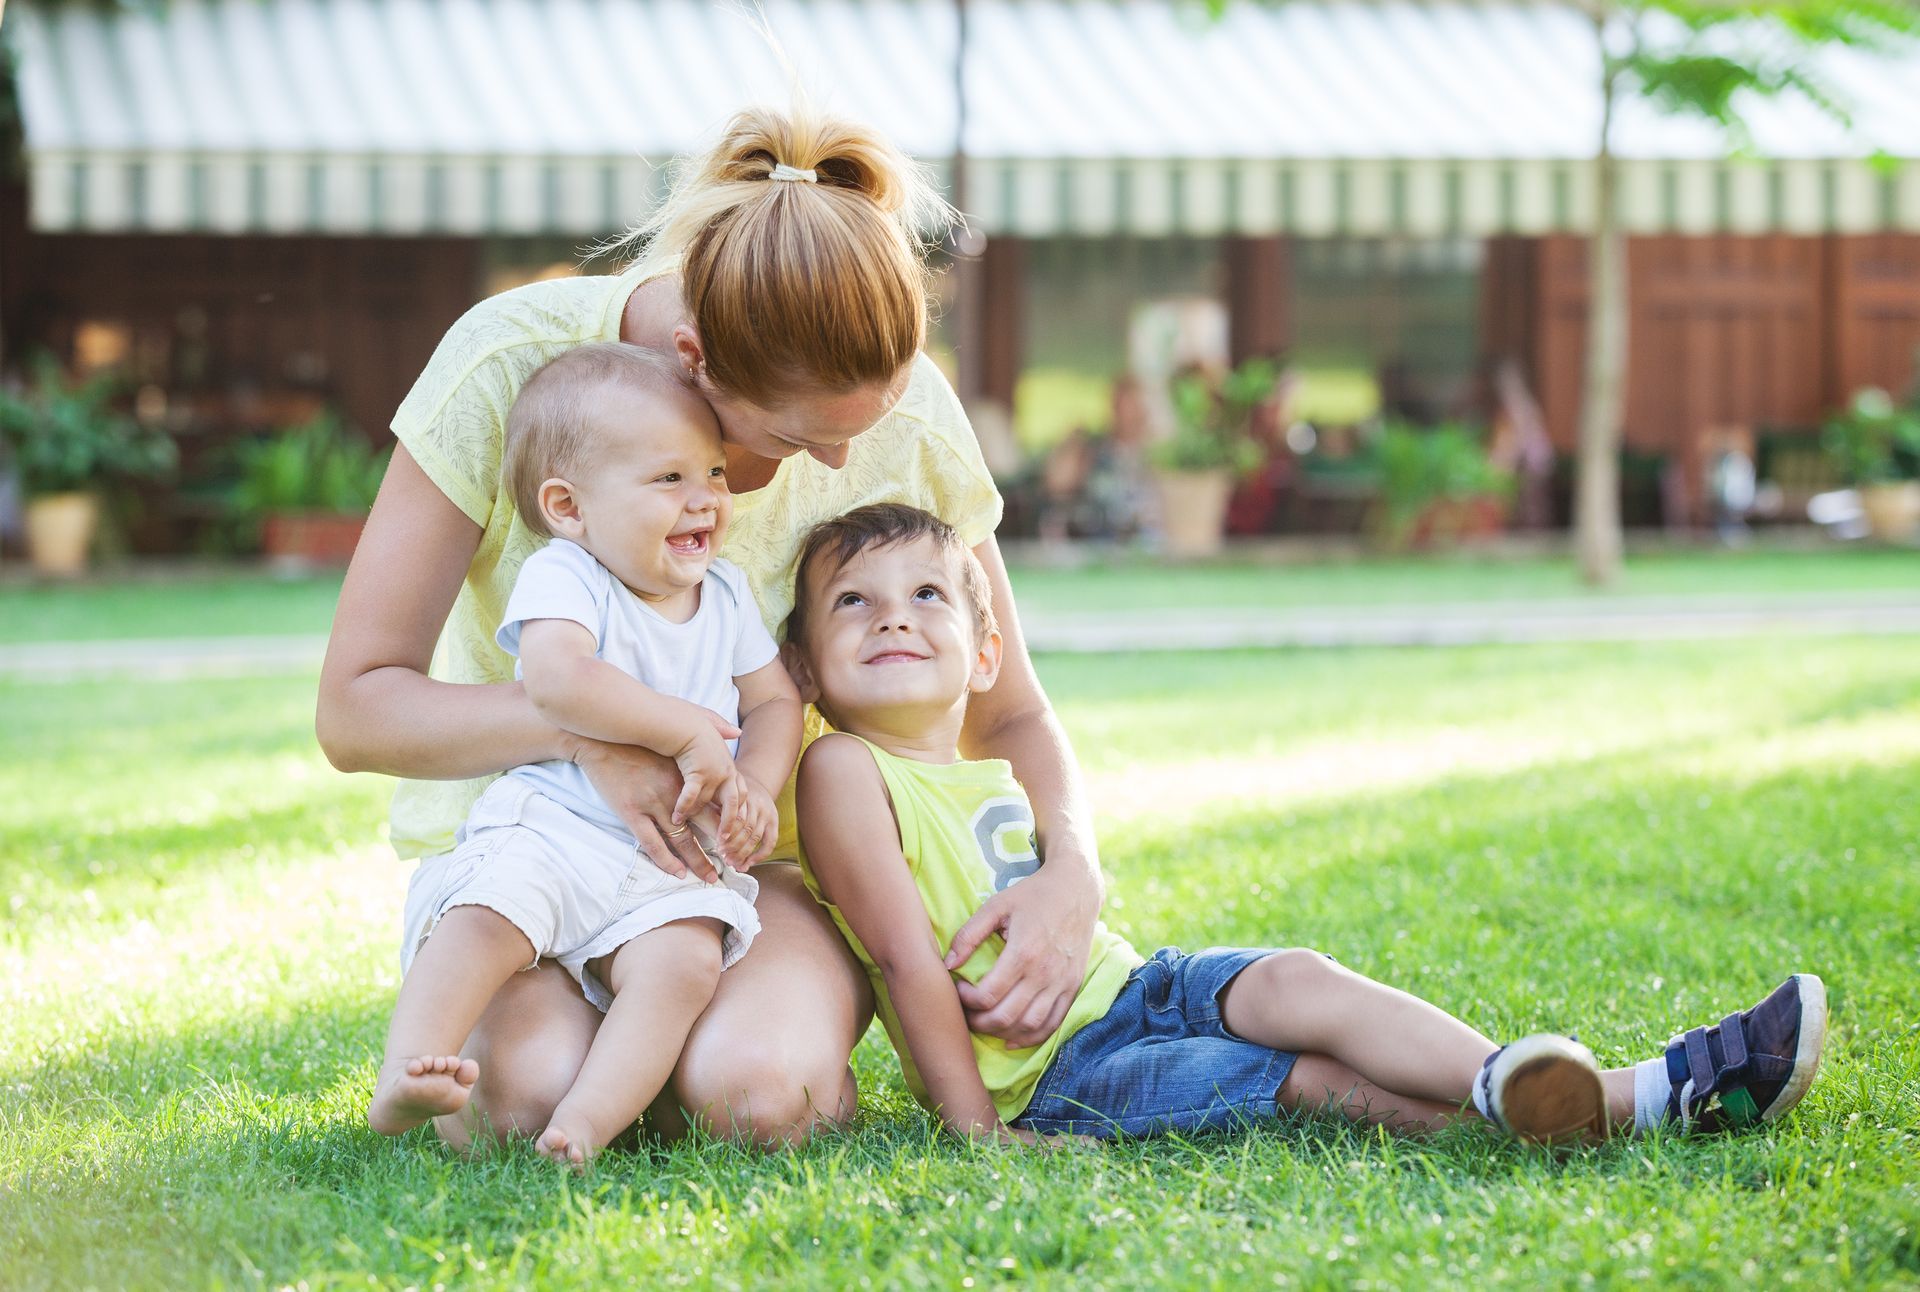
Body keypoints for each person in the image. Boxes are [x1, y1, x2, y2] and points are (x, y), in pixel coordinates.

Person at [316, 103, 1106, 1150]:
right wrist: (599, 738)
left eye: (860, 431)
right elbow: (357, 710)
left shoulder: (903, 410)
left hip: (752, 874)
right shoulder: (512, 365)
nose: (836, 468)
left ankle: (724, 1043)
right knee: (522, 1104)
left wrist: (1073, 871)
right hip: (534, 845)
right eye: (789, 434)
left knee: (757, 1094)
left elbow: (1007, 711)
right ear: (694, 357)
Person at [785, 504, 1829, 1143]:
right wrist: (979, 1132)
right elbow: (906, 965)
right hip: (1059, 1073)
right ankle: (1634, 1100)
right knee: (1310, 1084)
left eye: (928, 591)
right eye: (853, 602)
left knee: (1298, 975)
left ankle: (1513, 1075)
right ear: (803, 666)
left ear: (982, 652)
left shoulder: (988, 763)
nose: (893, 615)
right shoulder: (842, 768)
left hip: (1138, 984)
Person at [367, 344, 800, 1164]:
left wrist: (755, 782)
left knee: (683, 964)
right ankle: (407, 1066)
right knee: (486, 920)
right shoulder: (568, 576)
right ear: (568, 507)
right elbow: (556, 682)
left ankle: (587, 1126)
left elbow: (776, 699)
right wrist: (682, 731)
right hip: (553, 830)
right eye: (668, 479)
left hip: (668, 860)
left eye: (712, 472)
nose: (705, 498)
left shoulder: (727, 594)